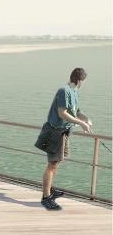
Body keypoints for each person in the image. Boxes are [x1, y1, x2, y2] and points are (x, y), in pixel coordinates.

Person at [36, 68, 92, 211]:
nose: (83, 84)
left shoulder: (74, 93)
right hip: (55, 132)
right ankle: (46, 197)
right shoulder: (64, 91)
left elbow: (76, 112)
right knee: (52, 164)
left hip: (64, 133)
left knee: (56, 163)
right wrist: (81, 123)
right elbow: (62, 113)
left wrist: (86, 120)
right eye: (83, 81)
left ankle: (48, 190)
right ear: (79, 80)